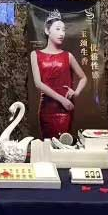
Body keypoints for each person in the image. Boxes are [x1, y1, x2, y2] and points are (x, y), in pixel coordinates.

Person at [30, 9, 87, 139]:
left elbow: (83, 78)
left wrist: (76, 93)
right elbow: (38, 83)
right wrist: (62, 99)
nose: (62, 33)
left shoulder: (68, 56)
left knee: (64, 143)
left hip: (65, 110)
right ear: (47, 31)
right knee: (48, 143)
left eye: (63, 30)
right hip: (47, 109)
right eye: (57, 29)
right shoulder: (35, 55)